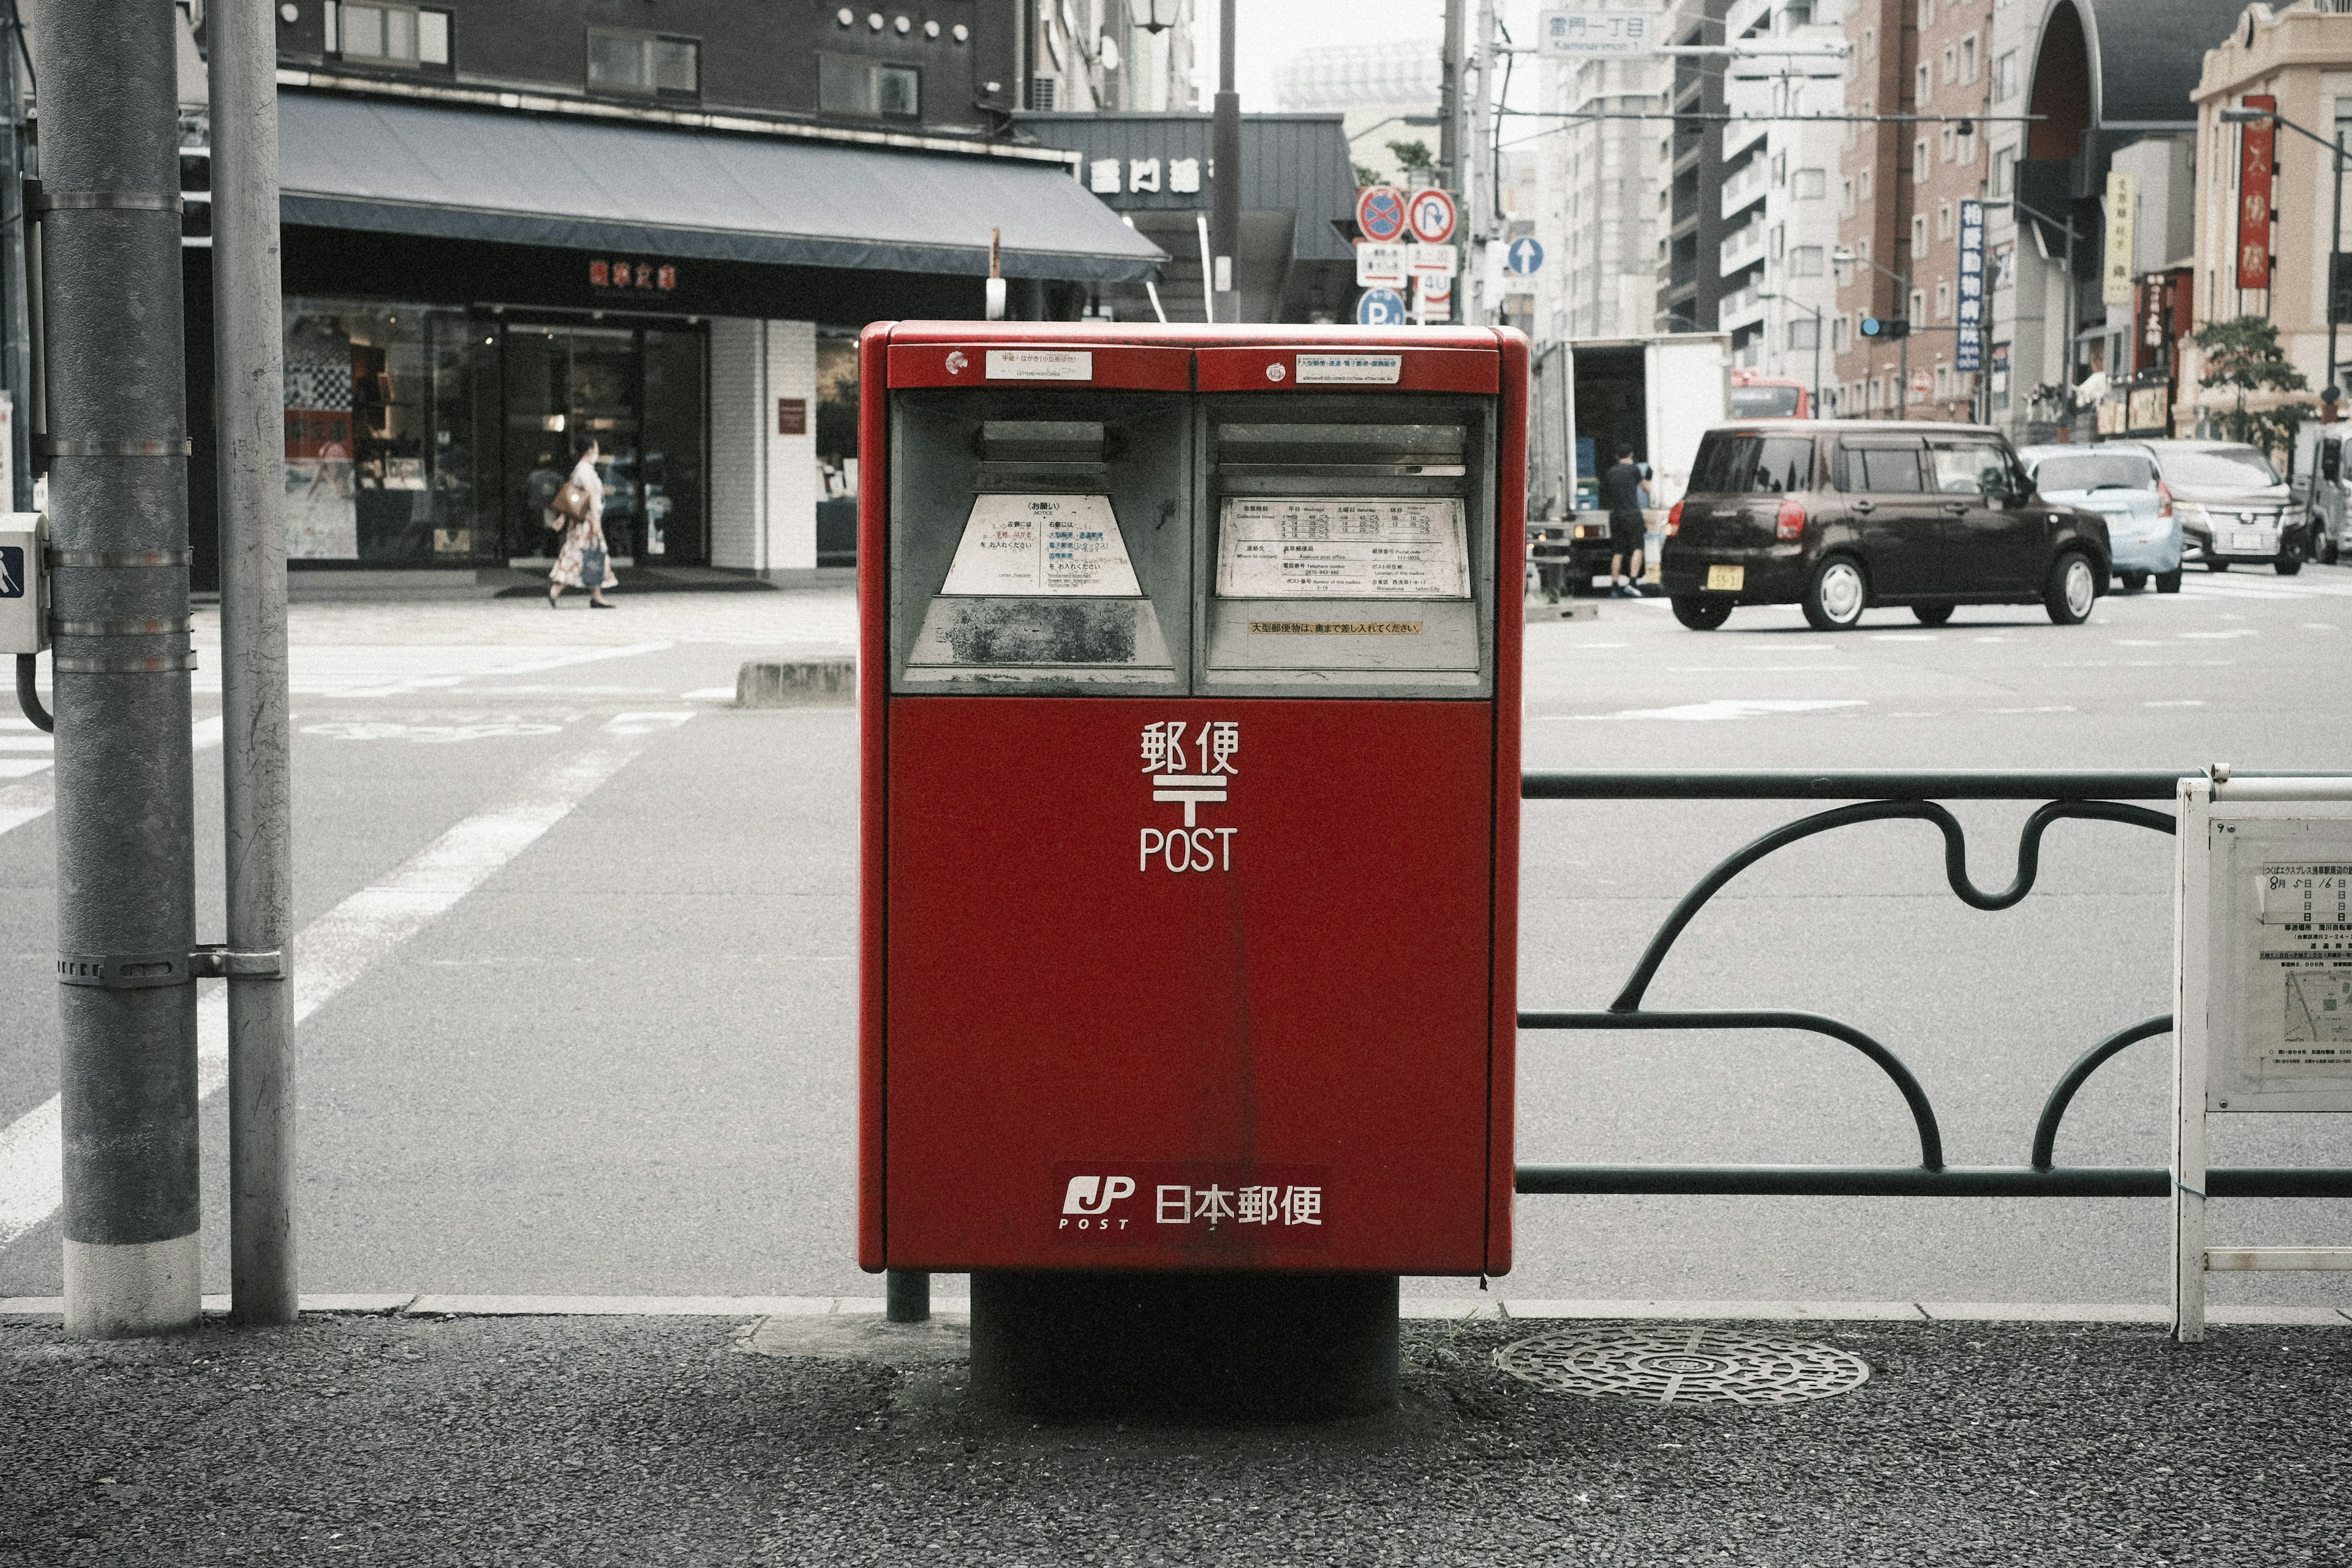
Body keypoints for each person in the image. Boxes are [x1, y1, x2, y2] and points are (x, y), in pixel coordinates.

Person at [548, 437, 617, 609]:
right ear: (589, 450)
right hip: (588, 521)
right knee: (585, 555)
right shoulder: (585, 470)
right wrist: (597, 520)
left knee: (587, 554)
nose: (597, 452)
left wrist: (562, 519)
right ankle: (557, 589)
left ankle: (596, 595)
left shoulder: (582, 469)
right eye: (596, 448)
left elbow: (571, 497)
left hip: (580, 521)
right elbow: (590, 495)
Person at [1600, 444, 1651, 598]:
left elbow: (1606, 493)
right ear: (1631, 454)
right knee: (1637, 548)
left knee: (1618, 551)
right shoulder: (1634, 469)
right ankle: (1633, 583)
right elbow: (1646, 489)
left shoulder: (1611, 472)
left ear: (1617, 456)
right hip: (1632, 515)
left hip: (1616, 516)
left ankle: (1614, 587)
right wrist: (1648, 477)